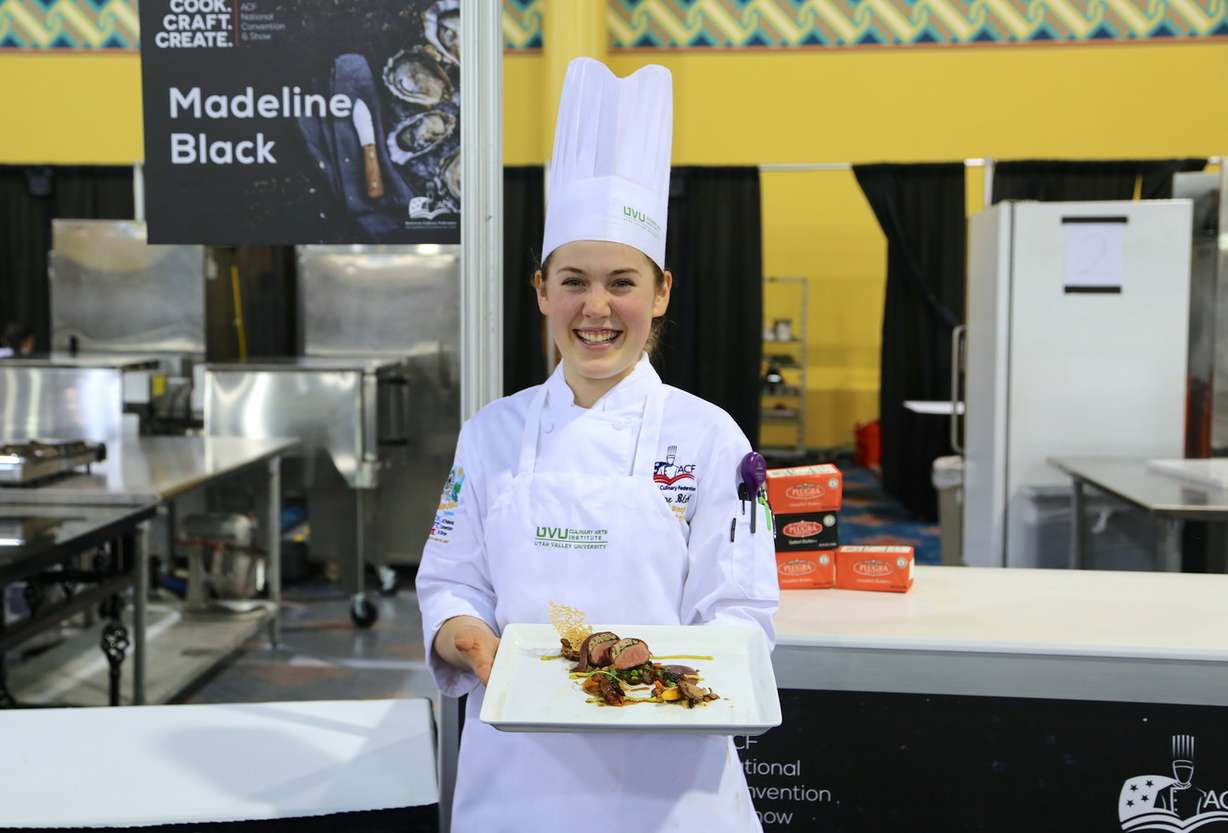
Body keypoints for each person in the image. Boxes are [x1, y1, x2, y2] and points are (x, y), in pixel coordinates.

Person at [416, 57, 779, 832]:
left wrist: (656, 681)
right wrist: (467, 638)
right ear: (541, 290)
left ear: (661, 292)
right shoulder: (492, 435)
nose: (597, 308)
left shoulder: (712, 438)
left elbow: (743, 609)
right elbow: (449, 583)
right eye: (574, 280)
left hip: (675, 793)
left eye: (622, 281)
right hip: (516, 785)